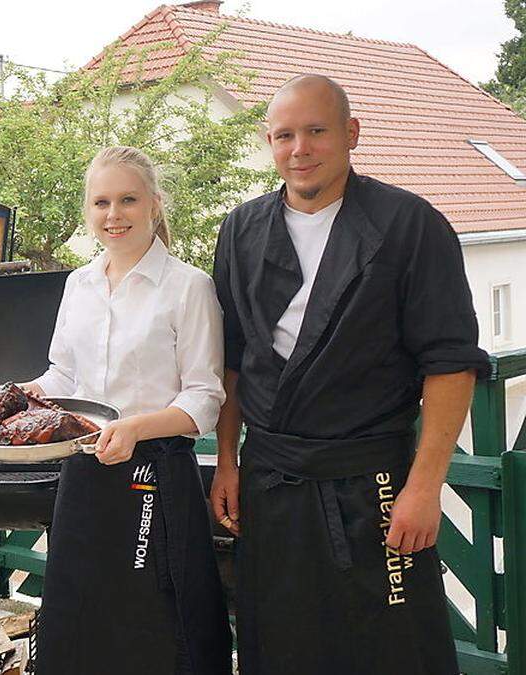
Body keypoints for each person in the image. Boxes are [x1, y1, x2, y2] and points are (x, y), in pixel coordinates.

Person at [210, 74, 487, 674]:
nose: (300, 149)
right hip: (270, 479)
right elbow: (232, 359)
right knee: (280, 645)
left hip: (374, 483)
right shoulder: (240, 230)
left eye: (316, 131)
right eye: (285, 135)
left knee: (391, 649)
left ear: (350, 134)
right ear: (269, 142)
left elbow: (451, 363)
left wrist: (424, 487)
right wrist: (227, 458)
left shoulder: (410, 225)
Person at [29, 146, 232, 674]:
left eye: (127, 200)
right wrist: (23, 395)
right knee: (80, 617)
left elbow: (204, 398)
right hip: (84, 471)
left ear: (154, 205)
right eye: (101, 202)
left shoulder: (189, 287)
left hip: (155, 474)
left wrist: (134, 427)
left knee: (158, 623)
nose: (113, 215)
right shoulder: (79, 284)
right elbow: (63, 377)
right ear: (87, 211)